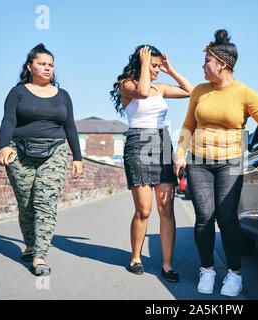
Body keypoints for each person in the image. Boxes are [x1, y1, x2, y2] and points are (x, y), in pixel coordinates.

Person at [174, 30, 258, 296]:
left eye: (207, 61)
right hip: (198, 161)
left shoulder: (246, 94)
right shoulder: (199, 91)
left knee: (228, 218)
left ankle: (234, 274)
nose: (202, 66)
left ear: (222, 64)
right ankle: (207, 269)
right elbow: (188, 124)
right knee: (203, 218)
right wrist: (179, 154)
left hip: (230, 162)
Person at [0, 44, 83, 276]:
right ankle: (30, 245)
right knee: (26, 204)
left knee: (45, 202)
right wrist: (3, 145)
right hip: (20, 152)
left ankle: (40, 256)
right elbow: (8, 121)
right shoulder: (18, 92)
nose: (47, 68)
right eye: (42, 64)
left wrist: (77, 157)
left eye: (51, 65)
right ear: (30, 66)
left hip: (54, 152)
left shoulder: (63, 95)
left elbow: (70, 127)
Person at [110, 45, 193, 282]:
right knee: (144, 210)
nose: (156, 70)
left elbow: (190, 91)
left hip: (161, 143)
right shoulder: (127, 84)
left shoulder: (161, 87)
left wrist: (171, 70)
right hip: (137, 144)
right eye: (154, 65)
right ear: (142, 62)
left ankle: (167, 265)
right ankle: (135, 257)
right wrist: (145, 64)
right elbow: (143, 92)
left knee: (166, 208)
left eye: (158, 66)